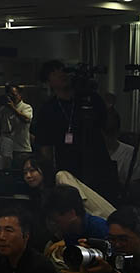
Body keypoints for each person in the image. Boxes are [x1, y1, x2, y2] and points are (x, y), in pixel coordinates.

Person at [30, 60, 115, 198]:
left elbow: (107, 128)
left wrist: (109, 106)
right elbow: (45, 146)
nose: (61, 74)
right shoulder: (48, 109)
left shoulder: (90, 98)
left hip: (98, 163)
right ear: (48, 81)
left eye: (63, 70)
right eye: (54, 73)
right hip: (69, 167)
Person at [44, 185, 110, 243]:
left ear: (72, 213)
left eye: (57, 222)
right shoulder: (69, 231)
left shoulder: (100, 229)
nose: (55, 225)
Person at [104, 108, 140, 187]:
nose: (106, 138)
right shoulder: (91, 152)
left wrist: (119, 183)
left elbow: (139, 186)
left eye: (110, 133)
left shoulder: (129, 153)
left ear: (117, 132)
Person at [0, 83, 33, 163]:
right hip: (6, 148)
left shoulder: (26, 107)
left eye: (13, 94)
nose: (11, 97)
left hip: (21, 148)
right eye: (9, 95)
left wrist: (13, 108)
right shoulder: (3, 109)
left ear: (20, 95)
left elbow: (26, 119)